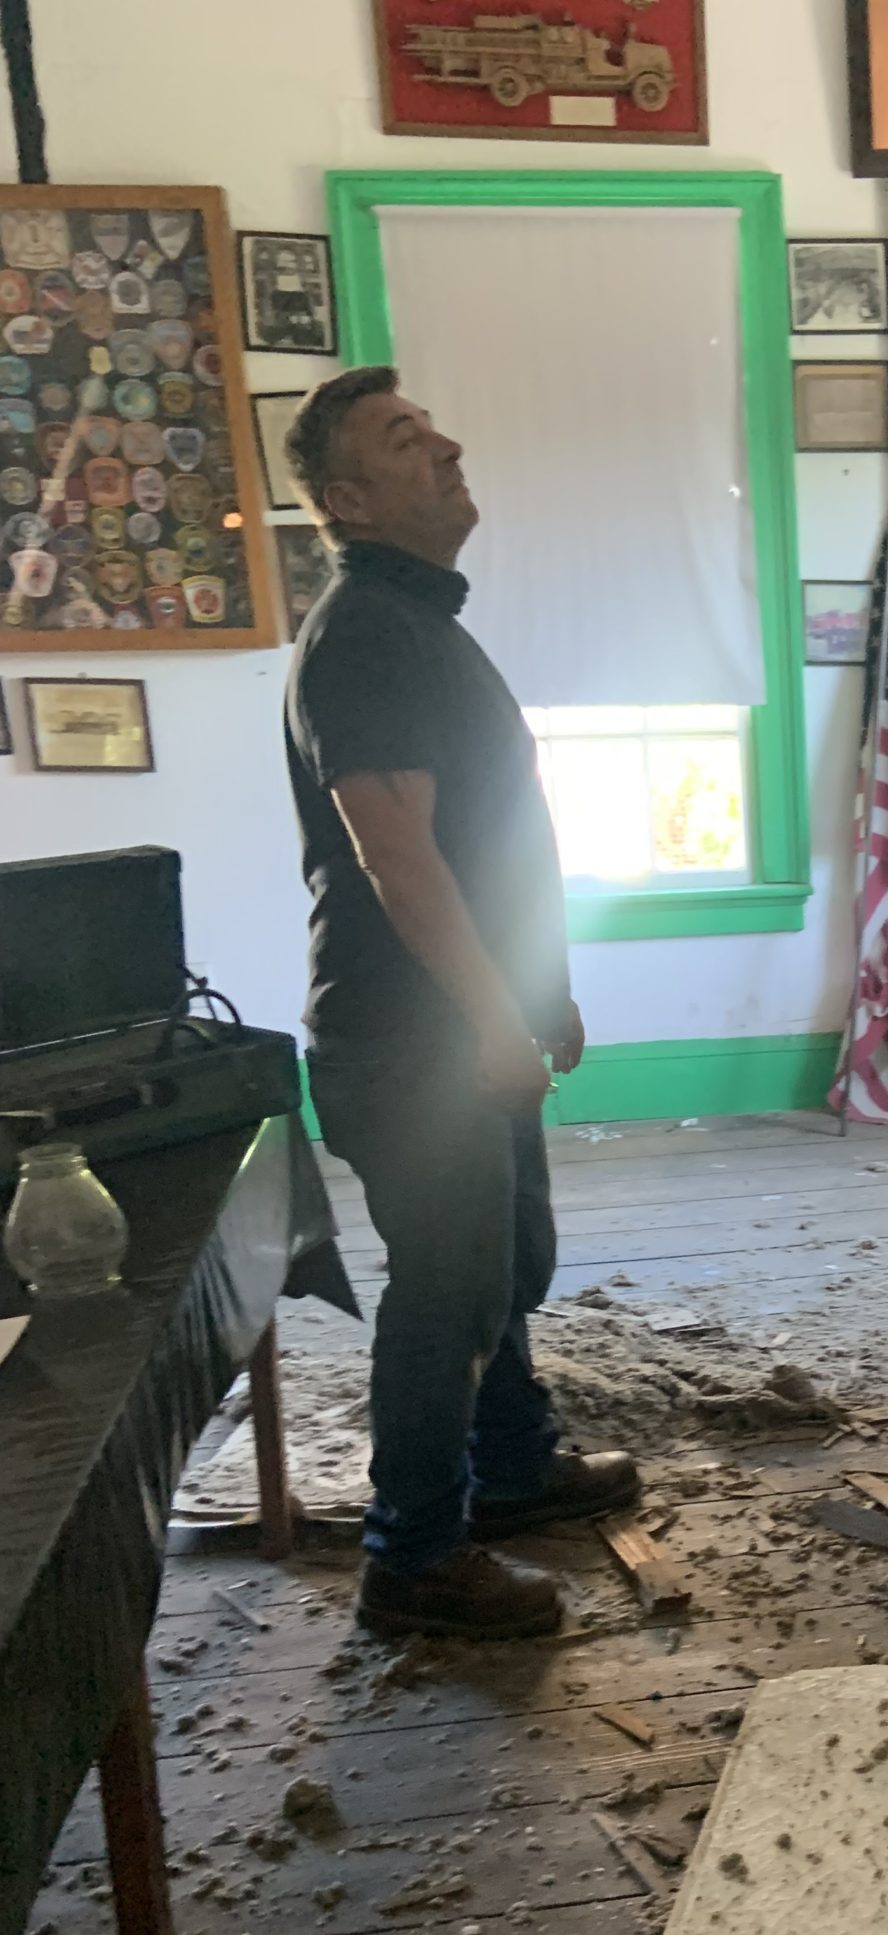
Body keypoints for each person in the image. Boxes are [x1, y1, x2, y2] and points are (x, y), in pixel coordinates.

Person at [281, 366, 636, 1642]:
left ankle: (512, 1468)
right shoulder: (369, 629)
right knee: (447, 1289)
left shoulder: (419, 618)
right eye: (404, 438)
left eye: (432, 428)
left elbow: (489, 838)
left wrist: (540, 989)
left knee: (501, 1264)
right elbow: (399, 853)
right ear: (347, 499)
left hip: (467, 1018)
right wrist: (492, 1016)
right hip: (412, 1037)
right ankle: (414, 1559)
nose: (447, 446)